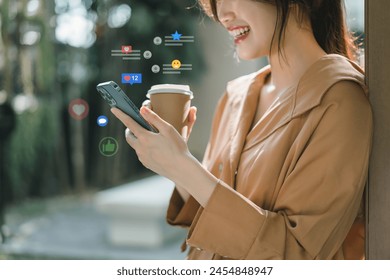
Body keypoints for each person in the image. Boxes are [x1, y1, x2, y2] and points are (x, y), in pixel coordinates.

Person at [111, 0, 372, 259]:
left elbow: (297, 254)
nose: (222, 14)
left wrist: (183, 167)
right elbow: (210, 220)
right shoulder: (236, 95)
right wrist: (174, 162)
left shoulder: (341, 101)